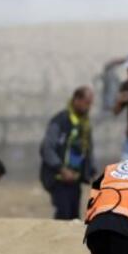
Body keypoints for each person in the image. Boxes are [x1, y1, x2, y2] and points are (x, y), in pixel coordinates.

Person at [40, 86, 96, 220]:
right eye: (86, 103)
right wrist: (61, 169)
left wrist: (91, 171)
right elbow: (46, 148)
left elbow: (88, 149)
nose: (88, 107)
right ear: (76, 100)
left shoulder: (84, 124)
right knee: (63, 215)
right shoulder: (60, 120)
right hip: (58, 178)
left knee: (74, 217)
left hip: (75, 180)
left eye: (90, 104)